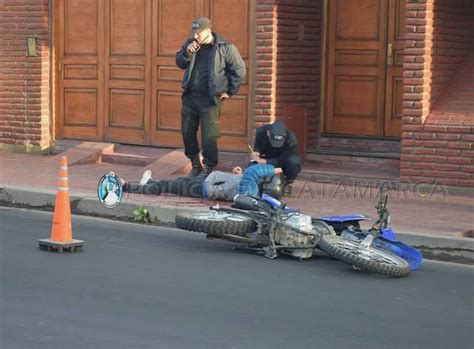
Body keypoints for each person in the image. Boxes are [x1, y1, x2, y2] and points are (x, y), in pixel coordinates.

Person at [176, 17, 246, 177]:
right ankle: (195, 164)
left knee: (209, 135)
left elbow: (239, 70)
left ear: (208, 31)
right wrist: (187, 53)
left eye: (198, 33)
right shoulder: (190, 44)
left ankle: (208, 167)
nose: (195, 37)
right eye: (194, 33)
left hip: (210, 100)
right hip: (190, 97)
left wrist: (230, 91)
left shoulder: (225, 47)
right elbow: (179, 62)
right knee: (187, 132)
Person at [122, 164, 283, 201]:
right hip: (207, 182)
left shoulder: (250, 190)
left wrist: (276, 170)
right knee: (174, 182)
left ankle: (127, 187)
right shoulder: (252, 190)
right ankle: (149, 181)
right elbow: (246, 177)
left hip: (203, 188)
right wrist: (239, 174)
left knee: (167, 187)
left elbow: (253, 171)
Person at [251, 121, 302, 195]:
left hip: (285, 159)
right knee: (252, 165)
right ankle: (255, 184)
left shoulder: (291, 139)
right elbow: (258, 146)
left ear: (285, 135)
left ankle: (287, 184)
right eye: (274, 141)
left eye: (279, 141)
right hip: (268, 156)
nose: (276, 144)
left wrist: (267, 162)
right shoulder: (261, 132)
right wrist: (257, 152)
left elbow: (284, 160)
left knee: (293, 162)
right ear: (268, 133)